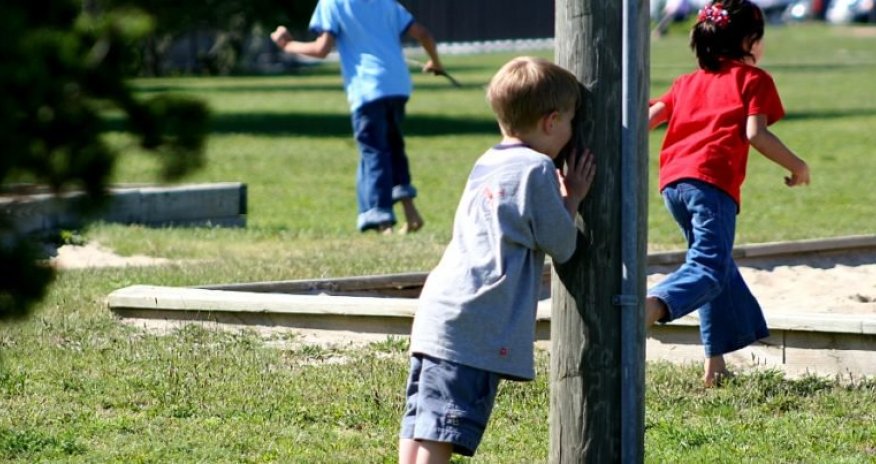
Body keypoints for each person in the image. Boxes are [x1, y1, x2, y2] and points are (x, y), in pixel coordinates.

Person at [398, 56, 596, 463]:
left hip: (441, 308)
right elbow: (563, 245)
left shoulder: (488, 159)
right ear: (551, 121)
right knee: (443, 428)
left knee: (421, 421)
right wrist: (572, 196)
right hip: (475, 318)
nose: (573, 133)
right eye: (572, 122)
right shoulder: (537, 169)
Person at [645, 0, 811, 387]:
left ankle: (714, 365)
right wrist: (797, 166)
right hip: (712, 185)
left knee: (716, 269)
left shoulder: (686, 82)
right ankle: (648, 309)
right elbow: (756, 134)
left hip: (674, 185)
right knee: (708, 268)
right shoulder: (754, 81)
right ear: (751, 41)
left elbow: (648, 119)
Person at [270, 0, 445, 234]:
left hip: (367, 89)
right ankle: (411, 213)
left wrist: (288, 45)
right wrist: (435, 61)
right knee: (394, 147)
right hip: (398, 86)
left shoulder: (333, 3)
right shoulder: (386, 3)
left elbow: (322, 49)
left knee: (374, 153)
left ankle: (382, 221)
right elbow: (423, 33)